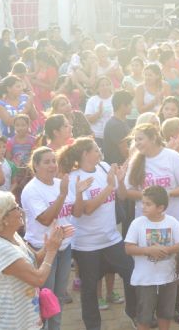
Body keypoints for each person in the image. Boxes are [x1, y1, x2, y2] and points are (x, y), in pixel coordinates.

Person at [59, 138, 136, 330]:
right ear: (85, 154)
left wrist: (119, 180)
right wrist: (109, 187)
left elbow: (123, 196)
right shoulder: (76, 177)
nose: (99, 151)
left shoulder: (103, 167)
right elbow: (87, 209)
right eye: (95, 149)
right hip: (86, 245)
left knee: (131, 272)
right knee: (89, 289)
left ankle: (133, 312)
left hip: (111, 238)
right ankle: (93, 326)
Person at [20, 146, 76, 330]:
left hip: (64, 247)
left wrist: (79, 192)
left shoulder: (61, 183)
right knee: (44, 297)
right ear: (35, 166)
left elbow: (74, 212)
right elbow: (45, 219)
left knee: (58, 296)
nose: (52, 165)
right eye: (46, 162)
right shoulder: (32, 190)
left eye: (54, 161)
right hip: (41, 249)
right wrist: (62, 194)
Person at [0, 190, 71, 330]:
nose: (21, 210)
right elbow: (38, 279)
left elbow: (35, 260)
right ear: (3, 218)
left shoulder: (14, 236)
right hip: (14, 322)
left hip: (28, 318)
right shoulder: (2, 249)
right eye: (15, 207)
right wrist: (52, 250)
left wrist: (49, 244)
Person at [124, 185, 179, 330]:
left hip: (169, 278)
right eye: (142, 202)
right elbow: (128, 248)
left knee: (165, 314)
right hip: (145, 279)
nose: (142, 207)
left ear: (160, 207)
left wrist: (167, 250)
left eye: (148, 204)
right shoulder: (137, 224)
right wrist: (148, 250)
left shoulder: (172, 222)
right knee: (144, 317)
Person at [118, 124, 179, 227]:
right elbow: (127, 192)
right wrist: (151, 197)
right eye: (135, 140)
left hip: (173, 221)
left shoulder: (173, 157)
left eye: (140, 139)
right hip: (146, 223)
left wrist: (168, 194)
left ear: (153, 138)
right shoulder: (135, 162)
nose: (137, 143)